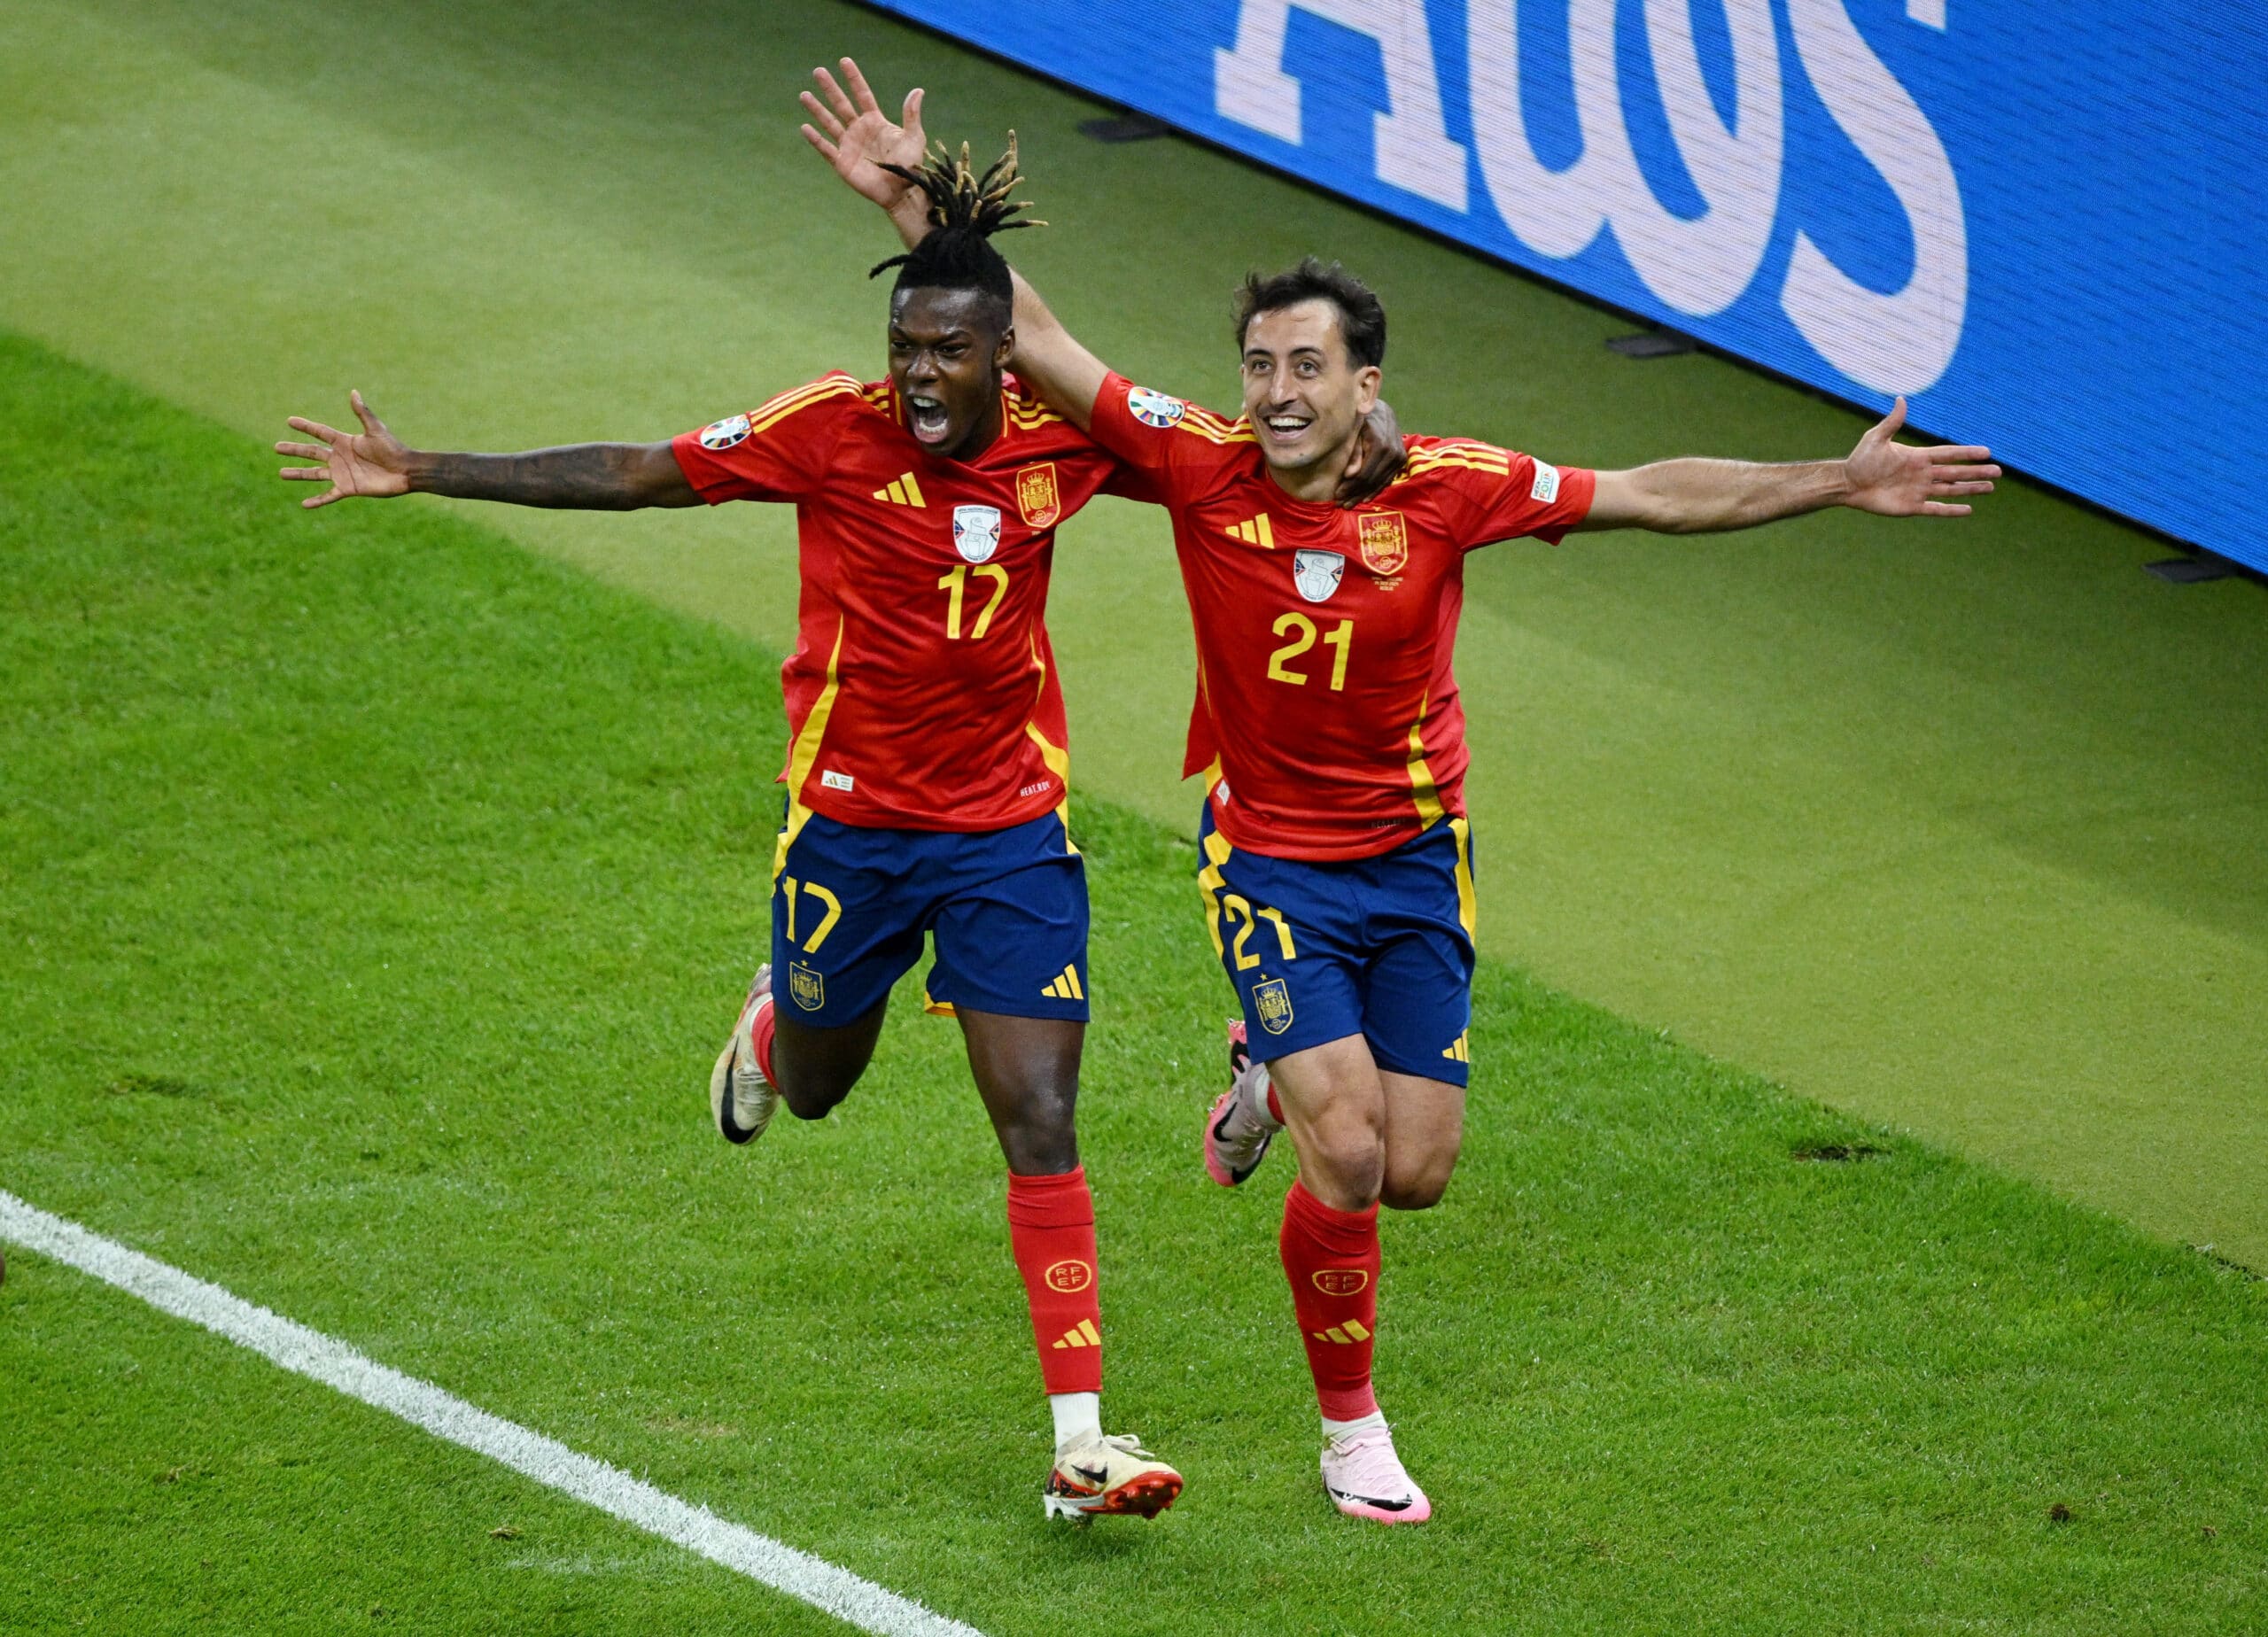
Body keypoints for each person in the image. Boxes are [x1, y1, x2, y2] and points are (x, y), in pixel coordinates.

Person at [803, 58, 2000, 1526]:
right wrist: (923, 205)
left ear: (1365, 381)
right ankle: (1351, 1433)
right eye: (1259, 364)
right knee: (1353, 1151)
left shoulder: (1453, 486)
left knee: (1418, 1169)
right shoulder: (1196, 463)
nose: (1276, 392)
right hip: (1269, 867)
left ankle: (1262, 1070)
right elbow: (1034, 335)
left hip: (1417, 864)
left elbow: (1651, 491)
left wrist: (1834, 478)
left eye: (1305, 368)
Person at [272, 136, 1298, 1522]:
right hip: (851, 833)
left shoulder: (1071, 444)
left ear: (1007, 357)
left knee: (1041, 1115)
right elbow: (639, 472)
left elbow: (1209, 448)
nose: (916, 376)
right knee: (818, 1084)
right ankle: (768, 1032)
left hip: (1008, 832)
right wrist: (429, 469)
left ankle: (1079, 1445)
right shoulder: (830, 427)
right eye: (901, 348)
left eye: (946, 352)